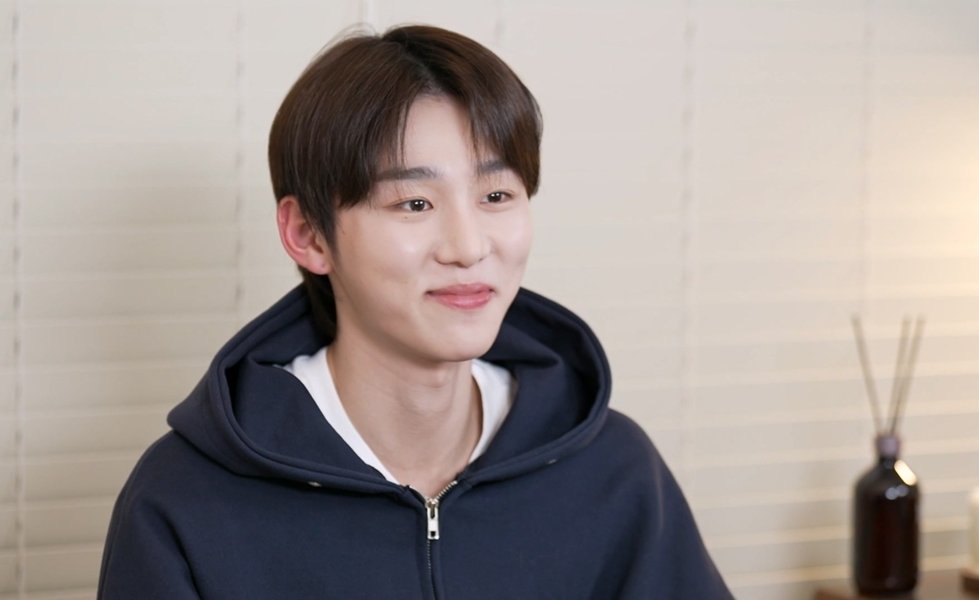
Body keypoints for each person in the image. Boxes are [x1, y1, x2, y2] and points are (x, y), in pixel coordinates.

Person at [97, 24, 733, 599]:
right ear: (309, 235)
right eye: (414, 204)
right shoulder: (182, 500)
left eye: (496, 194)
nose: (469, 247)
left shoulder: (614, 471)